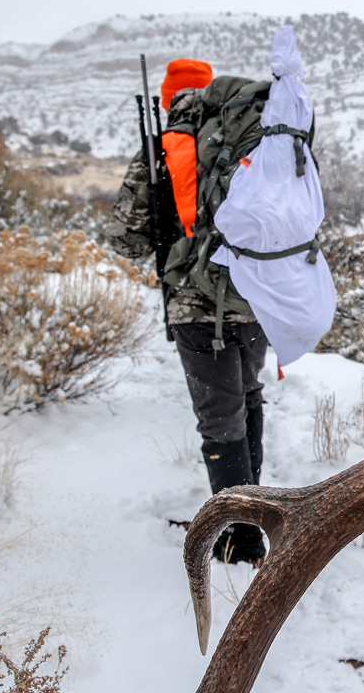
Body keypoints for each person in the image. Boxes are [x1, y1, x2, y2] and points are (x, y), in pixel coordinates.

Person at [107, 58, 269, 566]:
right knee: (246, 400)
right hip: (257, 297)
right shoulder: (251, 138)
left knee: (220, 421)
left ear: (167, 98)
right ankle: (254, 516)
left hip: (196, 309)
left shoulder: (164, 147)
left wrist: (167, 229)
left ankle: (239, 542)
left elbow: (125, 238)